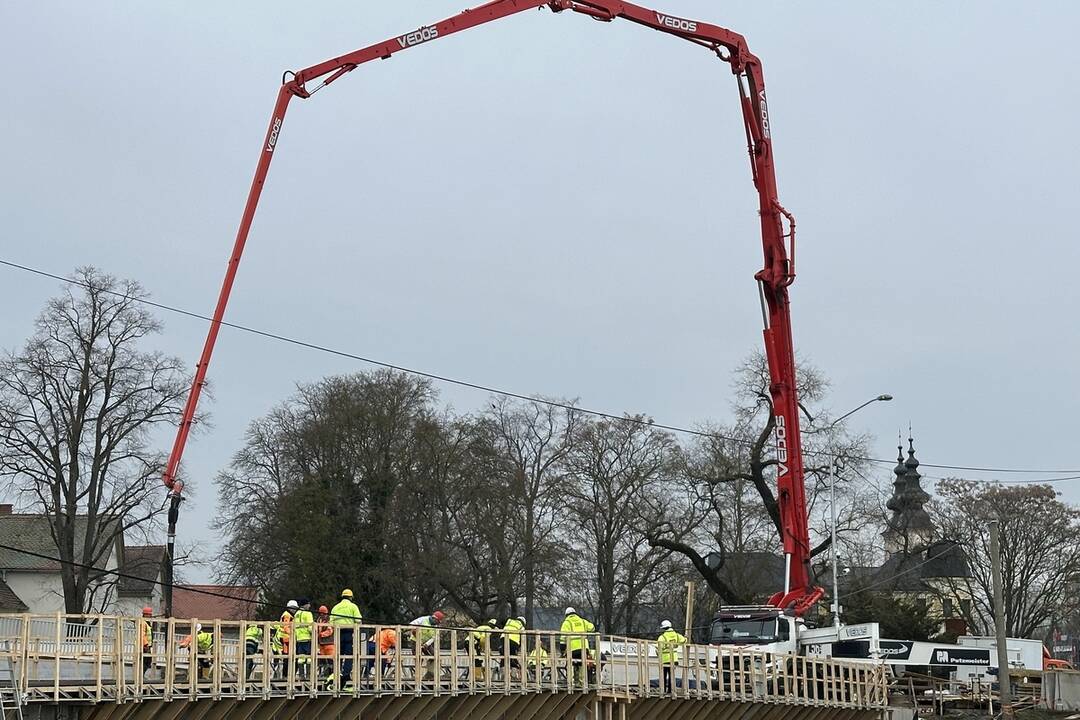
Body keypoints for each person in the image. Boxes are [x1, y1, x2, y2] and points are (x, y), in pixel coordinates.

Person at [330, 589, 362, 688]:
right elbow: (358, 620)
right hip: (349, 632)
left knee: (338, 655)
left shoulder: (335, 607)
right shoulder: (353, 606)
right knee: (349, 655)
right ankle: (346, 674)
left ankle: (336, 673)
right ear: (351, 597)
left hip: (338, 633)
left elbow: (330, 622)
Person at [559, 607, 595, 685]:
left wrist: (562, 649)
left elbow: (563, 638)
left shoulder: (566, 623)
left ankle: (570, 683)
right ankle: (582, 683)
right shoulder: (582, 621)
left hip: (572, 648)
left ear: (566, 615)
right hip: (584, 648)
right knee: (582, 664)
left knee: (570, 664)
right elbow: (592, 628)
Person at [408, 611, 444, 681]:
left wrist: (427, 644)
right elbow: (411, 625)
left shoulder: (435, 627)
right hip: (415, 641)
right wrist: (414, 630)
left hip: (426, 642)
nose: (438, 624)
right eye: (438, 622)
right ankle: (417, 677)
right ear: (434, 618)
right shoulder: (423, 620)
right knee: (418, 658)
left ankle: (430, 674)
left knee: (434, 656)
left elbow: (434, 637)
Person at [656, 619, 687, 693]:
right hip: (674, 658)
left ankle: (663, 690)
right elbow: (684, 640)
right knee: (671, 675)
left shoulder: (662, 637)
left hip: (665, 659)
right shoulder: (676, 635)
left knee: (663, 675)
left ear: (663, 628)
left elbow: (659, 647)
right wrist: (685, 637)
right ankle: (671, 690)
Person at [274, 600, 298, 678]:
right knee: (287, 658)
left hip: (287, 639)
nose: (295, 610)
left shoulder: (288, 615)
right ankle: (285, 676)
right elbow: (286, 627)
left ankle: (286, 675)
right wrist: (293, 633)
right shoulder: (287, 615)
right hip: (286, 639)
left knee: (288, 658)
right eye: (294, 608)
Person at [293, 599, 314, 680]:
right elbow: (310, 627)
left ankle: (302, 676)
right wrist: (314, 634)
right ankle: (308, 675)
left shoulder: (297, 614)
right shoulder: (308, 614)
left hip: (299, 638)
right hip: (307, 638)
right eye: (308, 604)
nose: (309, 606)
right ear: (305, 605)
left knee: (301, 658)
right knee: (309, 658)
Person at [501, 615, 526, 680]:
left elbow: (502, 623)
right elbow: (522, 637)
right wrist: (519, 646)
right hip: (513, 642)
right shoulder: (521, 625)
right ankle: (513, 675)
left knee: (503, 657)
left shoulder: (509, 621)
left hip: (503, 639)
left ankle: (504, 676)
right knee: (513, 658)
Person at [316, 605, 335, 682]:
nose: (322, 615)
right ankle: (324, 674)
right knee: (322, 659)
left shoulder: (329, 620)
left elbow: (330, 631)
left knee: (331, 660)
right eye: (321, 613)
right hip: (321, 643)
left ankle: (332, 674)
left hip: (329, 643)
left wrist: (321, 634)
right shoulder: (319, 620)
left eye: (323, 613)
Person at [139, 607, 154, 678]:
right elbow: (142, 634)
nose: (150, 616)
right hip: (144, 646)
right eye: (149, 615)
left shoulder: (147, 623)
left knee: (147, 661)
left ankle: (141, 675)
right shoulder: (143, 622)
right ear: (145, 615)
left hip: (146, 645)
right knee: (146, 661)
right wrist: (146, 645)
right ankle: (141, 676)